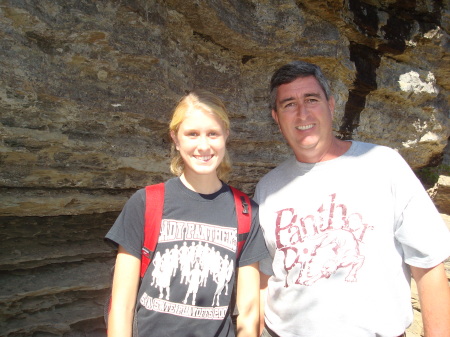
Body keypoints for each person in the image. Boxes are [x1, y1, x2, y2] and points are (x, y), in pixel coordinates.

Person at [255, 61, 450, 337]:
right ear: (276, 117)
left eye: (311, 99)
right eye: (289, 104)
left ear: (331, 105)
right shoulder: (268, 188)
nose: (302, 113)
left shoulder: (384, 165)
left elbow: (429, 265)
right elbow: (265, 279)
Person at [105, 90, 268, 337]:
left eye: (213, 133)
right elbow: (121, 306)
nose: (203, 146)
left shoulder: (246, 211)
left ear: (226, 135)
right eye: (192, 134)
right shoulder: (146, 202)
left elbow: (248, 311)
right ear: (176, 139)